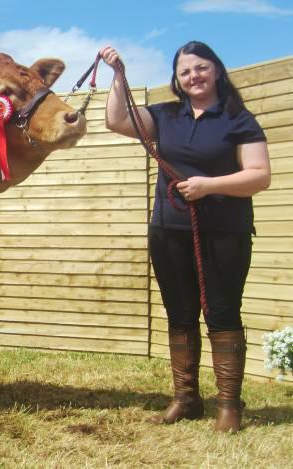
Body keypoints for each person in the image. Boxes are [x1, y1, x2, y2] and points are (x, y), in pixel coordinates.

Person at [100, 41, 271, 433]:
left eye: (200, 68)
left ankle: (228, 405)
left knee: (222, 314)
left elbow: (259, 175)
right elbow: (117, 121)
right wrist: (118, 76)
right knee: (179, 314)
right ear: (176, 80)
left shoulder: (238, 119)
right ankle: (186, 398)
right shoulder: (166, 115)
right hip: (169, 231)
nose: (193, 76)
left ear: (216, 70)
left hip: (225, 233)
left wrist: (209, 186)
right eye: (185, 71)